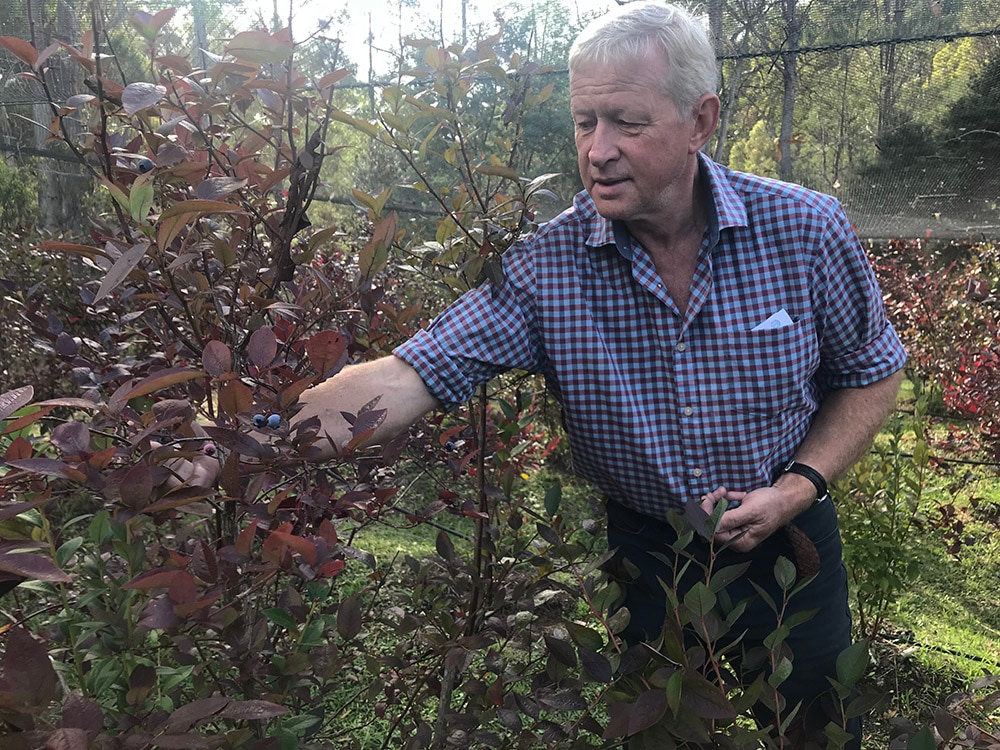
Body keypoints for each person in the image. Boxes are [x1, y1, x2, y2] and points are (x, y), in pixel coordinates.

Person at [185, 2, 905, 745]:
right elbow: (409, 375)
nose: (598, 150)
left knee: (817, 731)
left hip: (791, 547)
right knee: (662, 733)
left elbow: (873, 372)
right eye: (585, 122)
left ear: (700, 120)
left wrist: (797, 488)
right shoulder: (547, 268)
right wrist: (244, 440)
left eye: (627, 123)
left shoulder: (804, 230)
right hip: (649, 557)